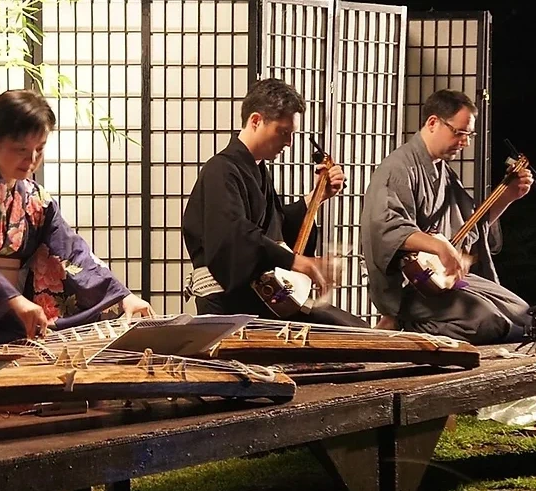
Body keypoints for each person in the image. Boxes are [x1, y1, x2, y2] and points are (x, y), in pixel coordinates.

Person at [0, 89, 154, 344]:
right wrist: (15, 301)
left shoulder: (36, 198)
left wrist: (123, 297)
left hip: (13, 316)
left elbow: (72, 253)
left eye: (40, 148)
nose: (32, 159)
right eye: (21, 149)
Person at [181, 77, 368, 327]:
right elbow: (234, 237)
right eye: (283, 132)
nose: (289, 143)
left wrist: (315, 198)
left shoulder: (257, 171)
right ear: (256, 120)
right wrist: (297, 262)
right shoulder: (220, 170)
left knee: (352, 327)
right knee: (342, 329)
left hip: (258, 299)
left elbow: (277, 228)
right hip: (228, 304)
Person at [360, 88, 533, 345]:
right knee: (489, 321)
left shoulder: (444, 173)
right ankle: (403, 326)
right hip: (412, 286)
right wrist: (438, 246)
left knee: (523, 314)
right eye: (460, 133)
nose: (465, 142)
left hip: (442, 278)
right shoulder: (396, 169)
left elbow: (471, 227)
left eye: (469, 135)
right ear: (433, 122)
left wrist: (508, 196)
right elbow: (386, 227)